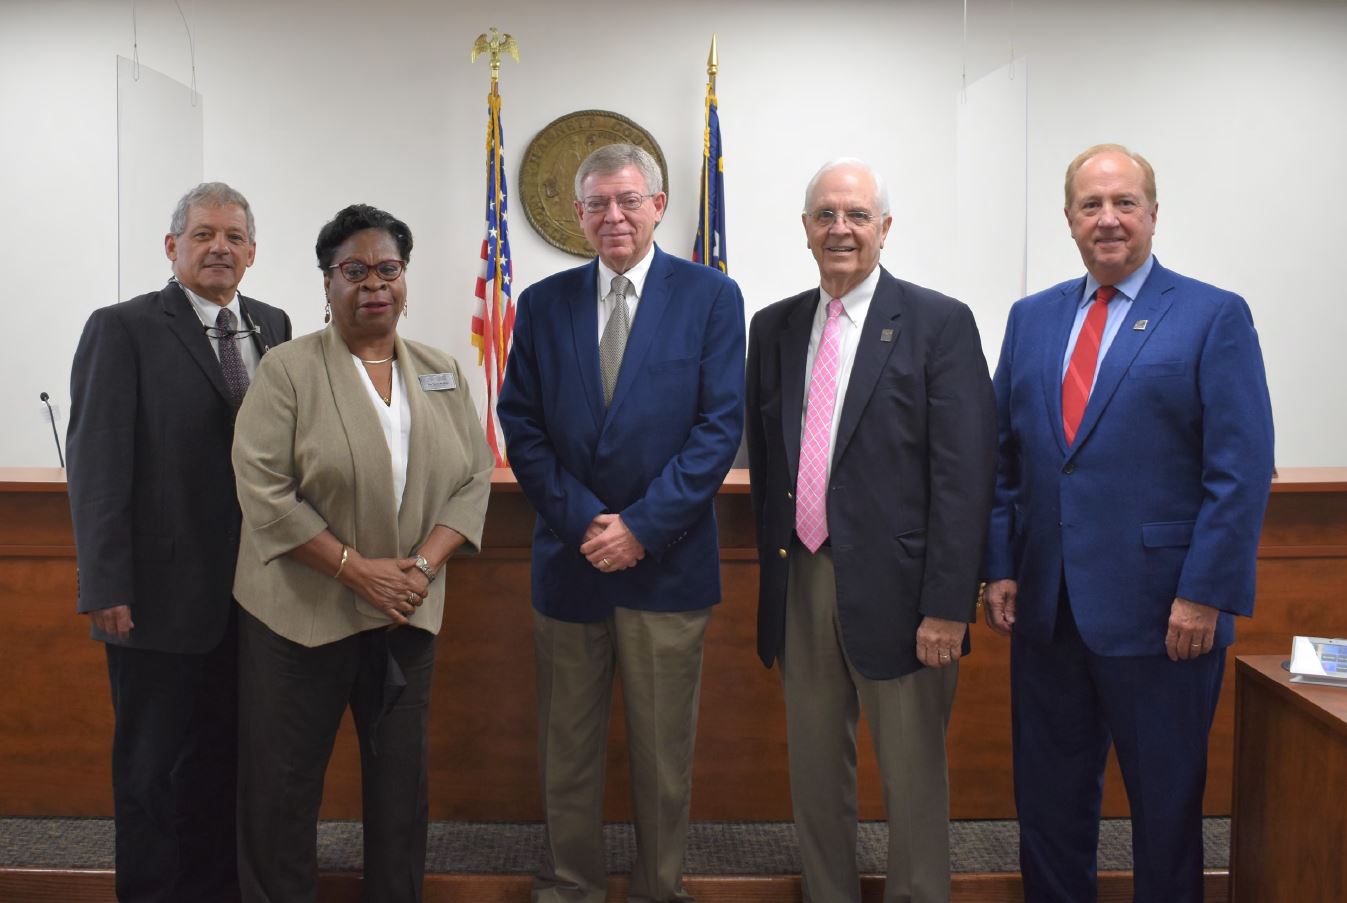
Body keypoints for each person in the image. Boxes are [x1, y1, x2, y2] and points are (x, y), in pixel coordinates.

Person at [982, 144, 1275, 902]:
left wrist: (1204, 594)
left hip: (1163, 615)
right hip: (1046, 612)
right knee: (1047, 808)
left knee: (1165, 810)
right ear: (1069, 218)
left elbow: (1237, 471)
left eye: (1123, 202)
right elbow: (1001, 459)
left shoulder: (1212, 315)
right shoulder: (1031, 318)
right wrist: (1001, 564)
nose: (1106, 219)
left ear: (1151, 212)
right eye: (1090, 204)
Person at [498, 143, 745, 903]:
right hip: (571, 563)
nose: (614, 216)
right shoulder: (542, 302)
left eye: (629, 200)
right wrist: (585, 523)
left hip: (666, 564)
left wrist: (639, 526)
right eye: (598, 203)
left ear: (659, 205)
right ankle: (570, 885)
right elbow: (522, 425)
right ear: (577, 214)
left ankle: (657, 888)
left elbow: (717, 428)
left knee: (662, 754)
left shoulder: (710, 296)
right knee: (566, 752)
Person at [744, 158, 996, 903]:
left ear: (884, 228)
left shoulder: (937, 322)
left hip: (907, 591)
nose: (839, 229)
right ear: (804, 230)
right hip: (802, 580)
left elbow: (965, 473)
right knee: (815, 772)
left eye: (856, 215)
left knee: (913, 775)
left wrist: (949, 603)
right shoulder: (774, 326)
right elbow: (767, 463)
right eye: (825, 215)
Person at [230, 204, 493, 902]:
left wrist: (421, 568)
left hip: (405, 615)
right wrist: (357, 570)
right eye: (355, 271)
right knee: (283, 793)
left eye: (388, 269)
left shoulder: (440, 370)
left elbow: (472, 477)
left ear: (404, 278)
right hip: (300, 618)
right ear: (327, 282)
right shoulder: (287, 370)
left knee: (399, 795)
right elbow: (264, 489)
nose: (374, 284)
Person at [66, 181, 292, 902]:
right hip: (157, 602)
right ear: (173, 247)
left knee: (227, 766)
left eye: (233, 236)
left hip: (255, 600)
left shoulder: (274, 325)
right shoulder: (122, 327)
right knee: (151, 773)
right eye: (203, 234)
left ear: (252, 252)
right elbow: (97, 465)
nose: (219, 246)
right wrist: (106, 585)